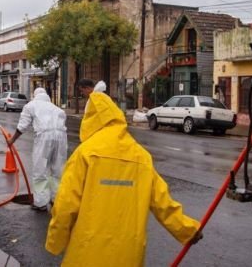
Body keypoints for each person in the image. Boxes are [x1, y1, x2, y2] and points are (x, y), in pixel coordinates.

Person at [46, 91, 202, 266]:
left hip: (88, 252)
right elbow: (163, 203)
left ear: (91, 119)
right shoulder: (142, 157)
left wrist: (55, 241)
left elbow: (65, 205)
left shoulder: (85, 153)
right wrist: (187, 230)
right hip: (129, 254)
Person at [7, 88, 67, 211]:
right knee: (58, 170)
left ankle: (40, 203)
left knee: (40, 170)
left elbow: (22, 126)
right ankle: (57, 199)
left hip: (44, 136)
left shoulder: (31, 106)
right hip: (62, 137)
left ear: (35, 95)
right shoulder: (57, 109)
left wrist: (12, 140)